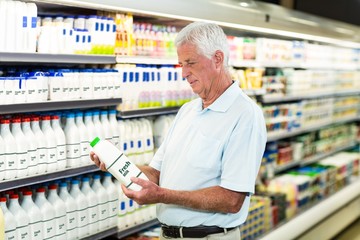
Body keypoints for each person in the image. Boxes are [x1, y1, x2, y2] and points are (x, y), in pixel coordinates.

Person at [90, 21, 266, 239]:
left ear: (217, 59)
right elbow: (156, 174)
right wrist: (117, 165)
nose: (183, 73)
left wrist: (162, 195)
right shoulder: (187, 111)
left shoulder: (245, 114)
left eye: (190, 63)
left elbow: (231, 200)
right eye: (181, 64)